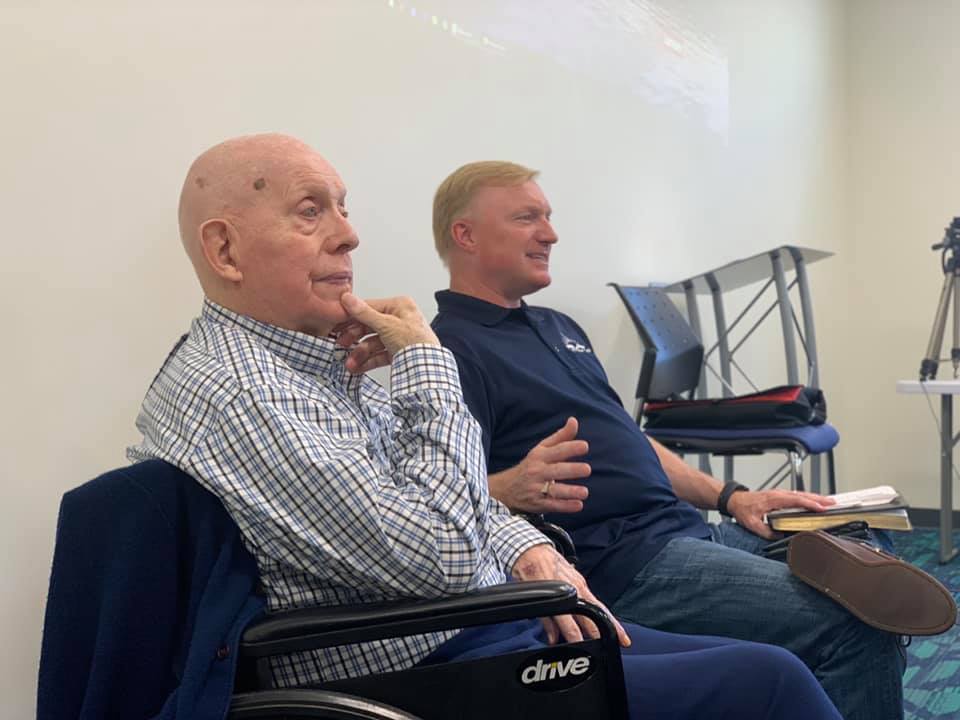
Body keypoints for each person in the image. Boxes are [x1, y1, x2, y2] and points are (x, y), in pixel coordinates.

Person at [128, 134, 841, 719]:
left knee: (779, 650)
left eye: (343, 208)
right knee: (772, 681)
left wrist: (525, 547)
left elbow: (436, 495)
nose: (350, 235)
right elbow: (440, 548)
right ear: (225, 251)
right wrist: (427, 361)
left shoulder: (313, 365)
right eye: (311, 212)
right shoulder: (241, 392)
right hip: (426, 665)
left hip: (496, 618)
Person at [429, 160, 907, 720]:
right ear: (466, 235)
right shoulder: (449, 351)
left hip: (685, 530)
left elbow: (629, 437)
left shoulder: (558, 327)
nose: (550, 233)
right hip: (623, 562)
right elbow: (441, 501)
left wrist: (733, 497)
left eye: (548, 216)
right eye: (526, 217)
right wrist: (507, 486)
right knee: (856, 620)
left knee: (869, 549)